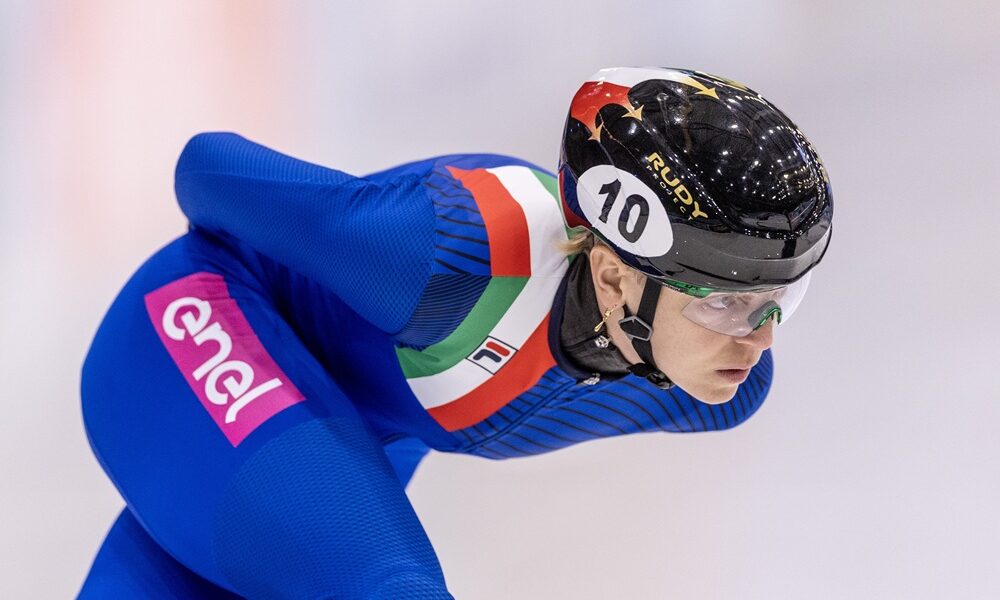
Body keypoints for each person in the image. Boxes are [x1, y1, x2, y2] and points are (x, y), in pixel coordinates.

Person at [78, 67, 833, 599]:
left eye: (780, 301)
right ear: (611, 277)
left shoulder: (714, 386)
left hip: (334, 437)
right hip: (195, 329)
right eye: (724, 303)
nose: (759, 338)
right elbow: (207, 170)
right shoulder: (449, 253)